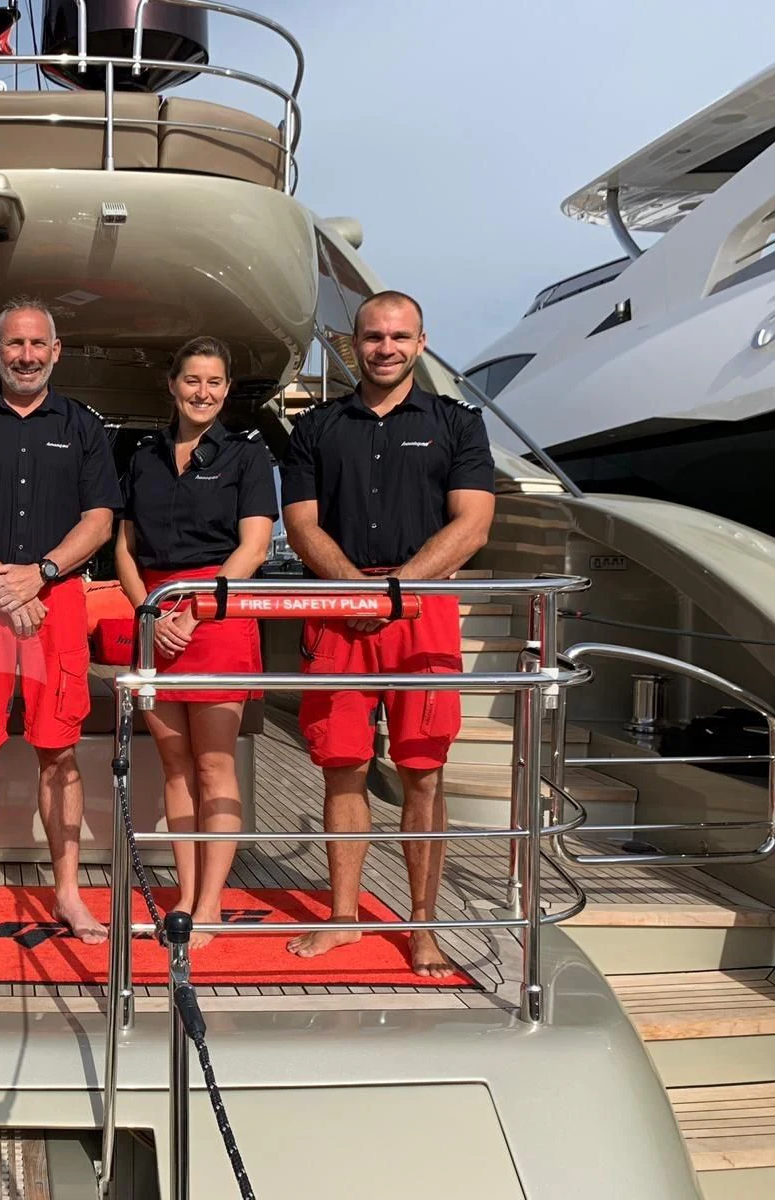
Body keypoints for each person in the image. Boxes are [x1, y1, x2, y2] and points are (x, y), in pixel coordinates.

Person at [279, 290, 495, 977]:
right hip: (338, 611)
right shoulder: (315, 428)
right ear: (355, 346)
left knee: (423, 772)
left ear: (421, 343)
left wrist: (397, 588)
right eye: (373, 336)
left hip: (421, 610)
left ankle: (422, 927)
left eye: (399, 336)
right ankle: (344, 919)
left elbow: (473, 524)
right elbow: (302, 524)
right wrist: (355, 588)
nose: (385, 347)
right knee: (341, 765)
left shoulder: (458, 424)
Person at [0, 297, 121, 944]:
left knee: (59, 751)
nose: (27, 356)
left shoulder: (86, 426)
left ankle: (68, 893)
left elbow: (99, 521)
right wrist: (5, 582)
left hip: (55, 599)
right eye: (15, 345)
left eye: (38, 345)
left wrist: (41, 573)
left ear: (56, 352)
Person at [115, 336, 276, 950]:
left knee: (215, 765)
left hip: (218, 617)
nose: (202, 392)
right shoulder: (144, 456)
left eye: (214, 382)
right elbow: (125, 548)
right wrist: (149, 613)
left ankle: (210, 902)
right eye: (192, 381)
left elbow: (253, 549)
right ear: (173, 385)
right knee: (175, 767)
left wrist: (196, 607)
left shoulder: (247, 457)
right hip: (155, 620)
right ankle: (184, 893)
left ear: (227, 389)